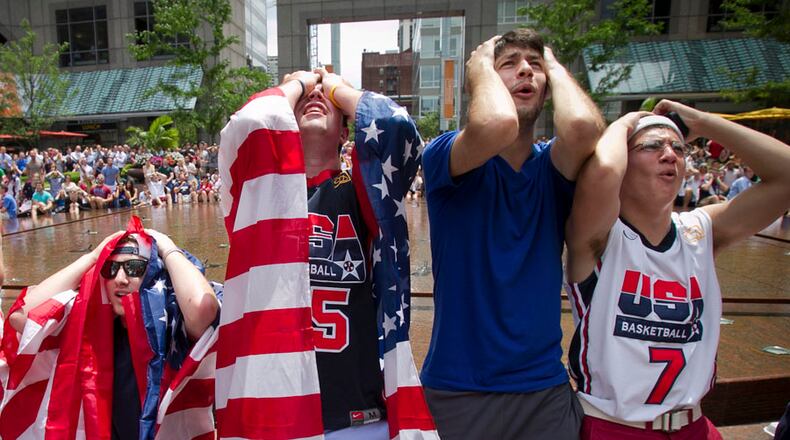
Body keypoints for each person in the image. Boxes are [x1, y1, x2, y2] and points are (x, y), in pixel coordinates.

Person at [217, 68, 436, 439]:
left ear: (347, 130)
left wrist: (338, 88)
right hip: (275, 411)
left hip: (356, 417)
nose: (315, 96)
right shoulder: (260, 197)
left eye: (328, 100)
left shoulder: (360, 190)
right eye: (303, 98)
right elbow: (250, 123)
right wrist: (299, 82)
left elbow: (394, 126)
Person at [563, 101, 790, 439]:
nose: (669, 154)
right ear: (623, 160)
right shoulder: (597, 236)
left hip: (693, 426)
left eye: (679, 148)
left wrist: (704, 121)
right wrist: (628, 121)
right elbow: (603, 173)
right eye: (652, 146)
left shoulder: (701, 231)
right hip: (613, 426)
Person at [420, 29, 604, 440]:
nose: (526, 70)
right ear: (482, 82)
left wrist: (552, 64)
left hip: (544, 390)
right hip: (457, 390)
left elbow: (583, 128)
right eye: (511, 63)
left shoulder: (552, 168)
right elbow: (495, 124)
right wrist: (480, 63)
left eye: (534, 66)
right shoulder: (445, 157)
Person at [1, 217, 221, 439]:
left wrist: (167, 247)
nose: (120, 279)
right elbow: (24, 315)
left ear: (154, 272)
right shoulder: (86, 325)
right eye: (111, 268)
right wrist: (94, 256)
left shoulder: (175, 324)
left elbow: (204, 309)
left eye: (134, 268)